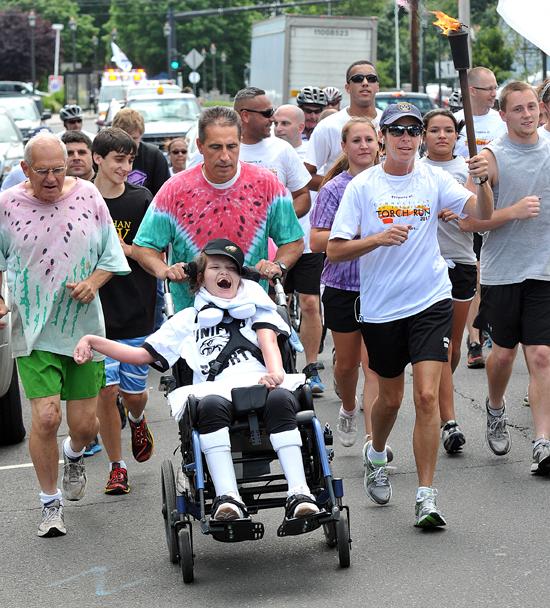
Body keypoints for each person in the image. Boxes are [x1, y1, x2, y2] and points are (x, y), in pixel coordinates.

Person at [326, 101, 493, 527]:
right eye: (397, 131)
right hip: (382, 307)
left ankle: (426, 496)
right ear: (383, 137)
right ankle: (376, 453)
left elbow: (483, 214)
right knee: (390, 399)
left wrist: (485, 183)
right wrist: (377, 239)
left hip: (430, 300)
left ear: (420, 138)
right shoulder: (363, 187)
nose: (406, 138)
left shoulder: (433, 178)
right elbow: (335, 248)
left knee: (425, 396)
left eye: (412, 131)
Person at [74, 239, 321, 521]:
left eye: (231, 268)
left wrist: (276, 372)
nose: (223, 272)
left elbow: (269, 344)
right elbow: (140, 355)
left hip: (262, 382)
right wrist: (93, 341)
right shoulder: (187, 320)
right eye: (215, 267)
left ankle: (300, 493)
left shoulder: (256, 309)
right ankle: (227, 498)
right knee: (209, 406)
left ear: (239, 277)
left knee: (281, 398)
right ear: (201, 277)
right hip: (214, 390)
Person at [0, 134, 130, 537]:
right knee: (45, 416)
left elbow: (112, 256)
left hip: (82, 331)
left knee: (84, 427)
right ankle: (49, 504)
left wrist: (94, 281)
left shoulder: (89, 196)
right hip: (33, 330)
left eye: (60, 169)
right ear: (25, 170)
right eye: (43, 172)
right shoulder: (6, 205)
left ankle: (74, 455)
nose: (53, 179)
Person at [132, 106, 304, 314]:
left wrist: (278, 265)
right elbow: (144, 246)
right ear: (200, 145)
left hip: (250, 311)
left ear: (240, 141)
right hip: (190, 313)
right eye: (215, 147)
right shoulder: (175, 189)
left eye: (232, 146)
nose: (225, 156)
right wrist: (165, 270)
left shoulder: (267, 184)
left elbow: (293, 241)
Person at [466, 81, 550, 474]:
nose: (527, 114)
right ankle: (495, 406)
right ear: (503, 114)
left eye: (531, 106)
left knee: (542, 355)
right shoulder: (491, 157)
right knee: (502, 354)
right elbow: (473, 221)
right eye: (518, 109)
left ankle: (542, 442)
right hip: (503, 271)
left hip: (545, 269)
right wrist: (505, 204)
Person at [92, 128, 157, 495]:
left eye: (130, 160)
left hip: (135, 306)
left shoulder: (141, 199)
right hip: (97, 313)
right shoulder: (83, 199)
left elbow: (153, 255)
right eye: (118, 159)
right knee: (106, 390)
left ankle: (136, 417)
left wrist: (125, 250)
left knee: (133, 394)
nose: (125, 167)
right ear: (98, 158)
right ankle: (117, 467)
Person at [310, 117, 381, 449]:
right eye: (357, 141)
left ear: (379, 142)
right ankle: (349, 407)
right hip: (342, 285)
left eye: (369, 139)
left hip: (382, 286)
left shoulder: (390, 183)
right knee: (347, 364)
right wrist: (362, 237)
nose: (364, 146)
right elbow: (316, 241)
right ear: (344, 147)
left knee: (375, 365)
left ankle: (374, 443)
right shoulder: (335, 188)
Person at [420, 109, 477, 454]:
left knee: (453, 347)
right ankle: (448, 420)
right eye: (434, 130)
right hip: (428, 267)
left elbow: (485, 213)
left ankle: (442, 395)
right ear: (424, 135)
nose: (442, 136)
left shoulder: (468, 170)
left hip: (462, 261)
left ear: (456, 135)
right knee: (440, 346)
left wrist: (462, 213)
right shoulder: (417, 170)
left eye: (448, 130)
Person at [453, 67, 507, 369]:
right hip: (464, 207)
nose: (493, 93)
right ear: (471, 90)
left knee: (484, 275)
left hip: (495, 208)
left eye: (496, 87)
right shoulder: (458, 123)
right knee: (474, 274)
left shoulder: (501, 124)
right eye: (488, 88)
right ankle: (474, 341)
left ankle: (487, 327)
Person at [273, 104, 325, 393]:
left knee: (309, 304)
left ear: (300, 127)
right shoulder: (267, 152)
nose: (278, 128)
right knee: (274, 304)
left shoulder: (309, 156)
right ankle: (277, 365)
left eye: (284, 123)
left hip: (305, 242)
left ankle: (311, 366)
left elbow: (321, 186)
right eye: (276, 122)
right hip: (272, 246)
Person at [305, 60, 383, 190]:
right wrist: (340, 188)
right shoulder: (328, 126)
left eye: (371, 78)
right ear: (347, 87)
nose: (365, 83)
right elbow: (305, 176)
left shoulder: (390, 124)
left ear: (378, 86)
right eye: (358, 79)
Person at [112, 107, 171, 196]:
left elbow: (164, 194)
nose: (129, 143)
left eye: (134, 138)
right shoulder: (106, 155)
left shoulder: (154, 156)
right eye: (125, 138)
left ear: (141, 135)